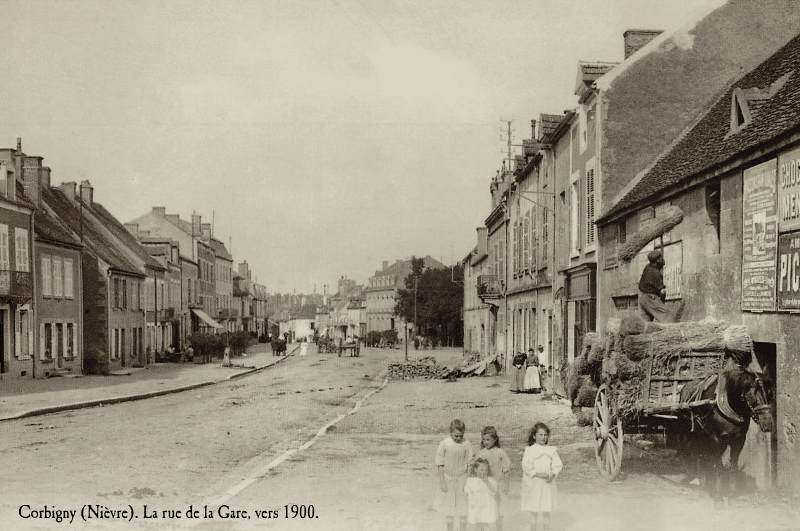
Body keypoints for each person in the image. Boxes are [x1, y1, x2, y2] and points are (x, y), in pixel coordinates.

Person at [521, 422, 563, 531]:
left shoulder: (551, 450)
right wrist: (538, 474)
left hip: (547, 485)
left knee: (546, 510)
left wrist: (552, 475)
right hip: (534, 484)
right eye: (540, 435)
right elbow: (526, 466)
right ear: (534, 436)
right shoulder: (530, 450)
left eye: (545, 435)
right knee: (533, 511)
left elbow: (558, 464)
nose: (543, 437)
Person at [436, 419, 474, 531]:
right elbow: (439, 463)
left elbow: (470, 462)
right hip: (448, 478)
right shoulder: (444, 444)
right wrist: (442, 481)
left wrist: (467, 479)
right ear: (450, 433)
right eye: (456, 436)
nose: (458, 438)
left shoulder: (466, 444)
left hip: (462, 478)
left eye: (460, 436)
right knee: (449, 507)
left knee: (463, 506)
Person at [475, 426, 510, 531]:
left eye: (488, 439)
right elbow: (475, 470)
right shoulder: (480, 453)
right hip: (484, 487)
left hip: (497, 486)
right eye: (484, 439)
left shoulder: (500, 452)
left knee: (498, 511)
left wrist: (506, 484)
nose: (486, 442)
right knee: (483, 510)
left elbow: (506, 470)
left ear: (495, 439)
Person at [638, 249, 673, 323]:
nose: (663, 260)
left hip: (642, 298)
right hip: (651, 298)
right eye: (661, 258)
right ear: (657, 261)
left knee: (646, 323)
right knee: (667, 316)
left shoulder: (647, 267)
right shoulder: (656, 273)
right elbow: (662, 292)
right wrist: (662, 300)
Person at [463, 458, 498, 531]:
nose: (484, 472)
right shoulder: (471, 480)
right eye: (481, 469)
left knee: (488, 524)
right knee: (477, 524)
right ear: (475, 470)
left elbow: (494, 491)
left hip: (488, 506)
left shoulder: (491, 480)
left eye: (486, 470)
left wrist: (487, 482)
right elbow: (467, 492)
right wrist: (471, 501)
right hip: (476, 506)